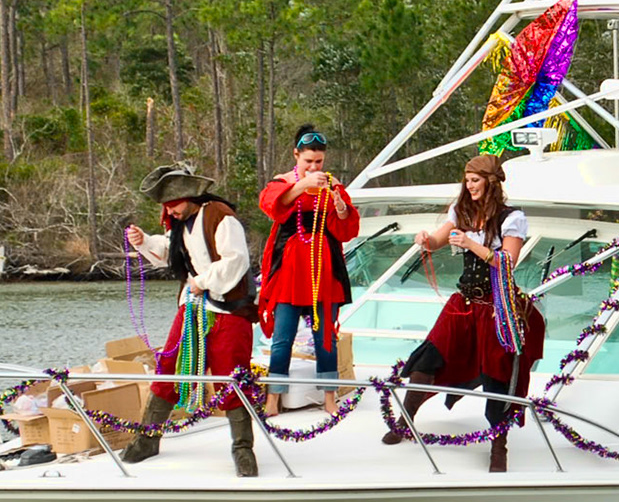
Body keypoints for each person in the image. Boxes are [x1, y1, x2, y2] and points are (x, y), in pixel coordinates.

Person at [382, 154, 544, 473]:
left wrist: (472, 244)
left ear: (491, 182)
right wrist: (425, 240)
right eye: (467, 180)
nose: (469, 186)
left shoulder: (511, 218)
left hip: (497, 307)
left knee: (498, 374)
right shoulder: (462, 211)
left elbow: (508, 261)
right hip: (464, 303)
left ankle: (499, 444)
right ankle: (405, 419)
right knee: (429, 359)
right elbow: (437, 241)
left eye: (475, 180)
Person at [122, 164, 260, 476]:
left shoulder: (220, 216)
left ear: (189, 196)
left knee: (231, 377)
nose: (169, 209)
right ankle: (147, 439)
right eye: (165, 205)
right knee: (168, 366)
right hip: (193, 307)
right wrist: (143, 240)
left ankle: (243, 449)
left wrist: (204, 280)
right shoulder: (180, 222)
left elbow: (236, 259)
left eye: (173, 203)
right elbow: (170, 250)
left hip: (228, 310)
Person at [257, 125, 361, 414]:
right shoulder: (282, 182)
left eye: (319, 162)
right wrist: (303, 184)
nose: (314, 167)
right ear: (296, 156)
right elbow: (271, 206)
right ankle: (273, 398)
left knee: (325, 338)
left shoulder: (333, 186)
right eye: (308, 161)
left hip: (323, 273)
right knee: (282, 339)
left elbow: (347, 230)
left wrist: (340, 207)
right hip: (290, 274)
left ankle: (329, 397)